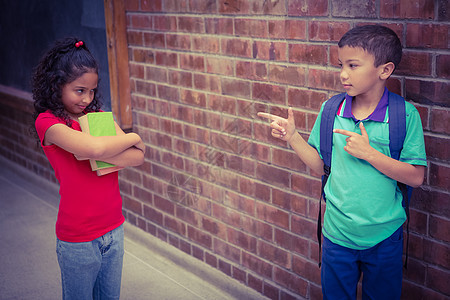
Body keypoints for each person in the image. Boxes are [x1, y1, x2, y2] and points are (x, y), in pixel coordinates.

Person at [258, 25, 426, 299]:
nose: (343, 74)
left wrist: (370, 153)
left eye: (353, 65)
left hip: (384, 236)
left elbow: (416, 177)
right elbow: (321, 166)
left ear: (384, 70)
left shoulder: (404, 116)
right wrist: (293, 137)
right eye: (341, 65)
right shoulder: (330, 110)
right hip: (337, 234)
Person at [32, 37, 145, 299]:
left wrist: (119, 149)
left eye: (92, 91)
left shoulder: (96, 117)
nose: (87, 98)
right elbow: (93, 150)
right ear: (56, 85)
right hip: (78, 238)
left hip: (114, 229)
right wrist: (134, 138)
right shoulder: (48, 123)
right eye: (79, 90)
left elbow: (137, 158)